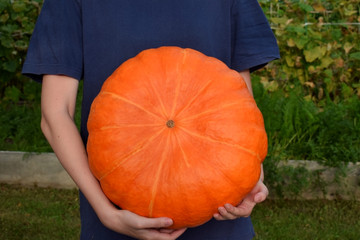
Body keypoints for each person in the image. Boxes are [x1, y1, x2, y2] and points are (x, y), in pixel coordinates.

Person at [22, 0, 280, 239]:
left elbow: (241, 104)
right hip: (118, 214)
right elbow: (55, 114)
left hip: (221, 214)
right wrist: (107, 213)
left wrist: (250, 179)